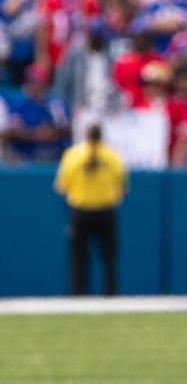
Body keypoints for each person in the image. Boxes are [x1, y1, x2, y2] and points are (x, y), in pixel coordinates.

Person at [53, 124, 127, 295]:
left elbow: (61, 187)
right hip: (106, 210)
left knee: (79, 256)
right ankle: (110, 293)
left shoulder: (73, 155)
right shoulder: (112, 155)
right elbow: (122, 186)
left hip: (80, 211)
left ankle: (78, 293)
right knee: (109, 256)